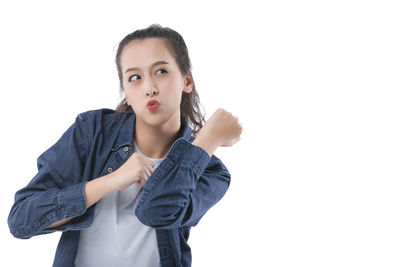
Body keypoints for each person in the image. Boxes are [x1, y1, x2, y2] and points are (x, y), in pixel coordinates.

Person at [8, 24, 242, 267]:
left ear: (187, 80)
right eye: (135, 78)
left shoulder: (210, 171)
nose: (149, 88)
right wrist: (112, 181)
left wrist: (208, 140)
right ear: (126, 93)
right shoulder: (92, 131)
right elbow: (22, 219)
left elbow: (156, 212)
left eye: (161, 71)